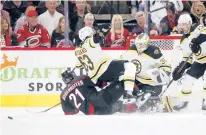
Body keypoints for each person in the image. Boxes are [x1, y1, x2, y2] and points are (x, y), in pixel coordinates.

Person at [74, 26, 136, 98]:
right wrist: (105, 28)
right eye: (92, 32)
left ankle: (123, 98)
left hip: (95, 77)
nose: (93, 33)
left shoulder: (77, 50)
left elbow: (79, 66)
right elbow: (97, 37)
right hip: (105, 68)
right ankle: (128, 92)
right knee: (129, 66)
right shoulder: (89, 41)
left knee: (120, 78)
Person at [120, 33, 172, 112]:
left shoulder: (154, 52)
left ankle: (161, 104)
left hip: (152, 85)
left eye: (141, 44)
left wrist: (164, 74)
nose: (139, 46)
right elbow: (120, 61)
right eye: (137, 44)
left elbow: (166, 66)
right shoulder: (132, 49)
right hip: (138, 82)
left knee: (143, 103)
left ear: (147, 43)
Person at [60, 69, 137, 115]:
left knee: (117, 106)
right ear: (72, 75)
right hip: (100, 100)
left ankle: (137, 107)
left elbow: (70, 112)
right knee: (124, 82)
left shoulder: (63, 95)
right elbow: (101, 83)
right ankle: (138, 95)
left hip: (94, 112)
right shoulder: (80, 78)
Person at [171, 13, 206, 111]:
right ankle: (184, 101)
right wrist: (180, 68)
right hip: (200, 61)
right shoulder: (184, 39)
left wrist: (196, 41)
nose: (182, 27)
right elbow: (187, 57)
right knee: (188, 78)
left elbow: (204, 34)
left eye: (184, 24)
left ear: (189, 23)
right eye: (181, 24)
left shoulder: (197, 28)